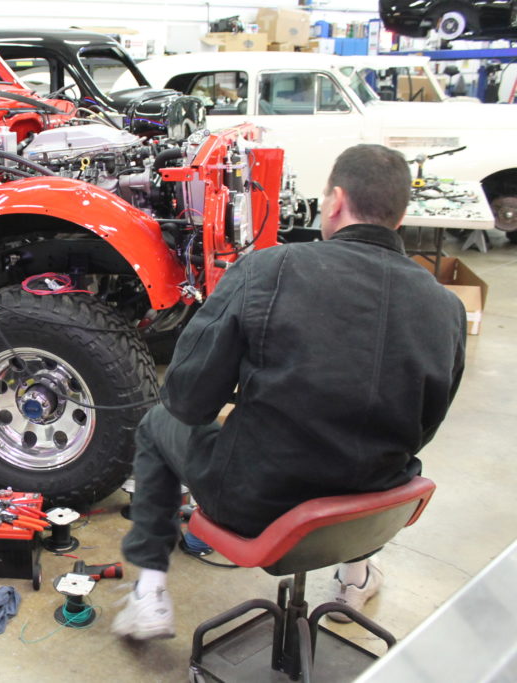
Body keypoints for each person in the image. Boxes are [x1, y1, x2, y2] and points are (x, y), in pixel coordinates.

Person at [112, 144, 467, 640]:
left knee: (158, 425)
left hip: (259, 504)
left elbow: (189, 401)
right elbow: (425, 425)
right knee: (374, 437)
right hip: (376, 506)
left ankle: (148, 595)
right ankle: (355, 576)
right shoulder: (446, 308)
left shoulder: (268, 269)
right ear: (401, 216)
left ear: (335, 201)